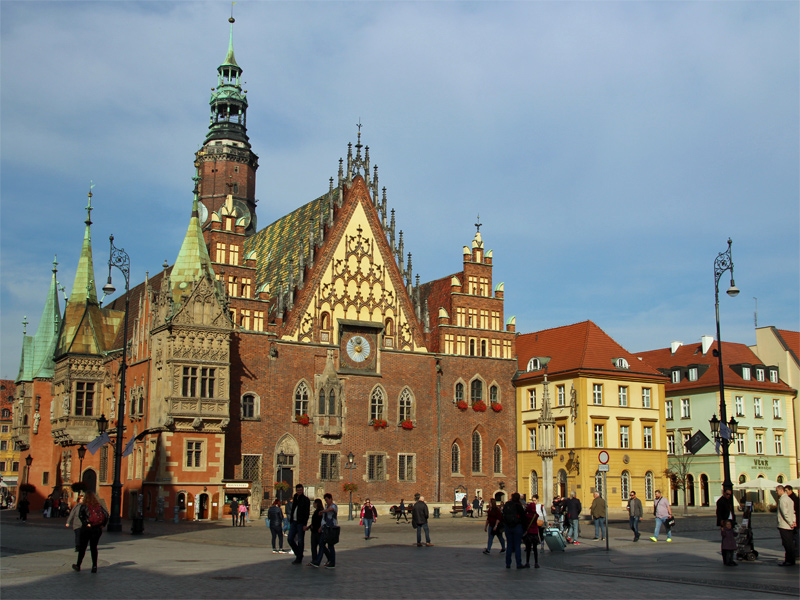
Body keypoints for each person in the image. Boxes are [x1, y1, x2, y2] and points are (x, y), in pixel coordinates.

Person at [72, 490, 109, 573]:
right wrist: (103, 525)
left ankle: (78, 565)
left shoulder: (84, 506)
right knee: (94, 547)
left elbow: (80, 515)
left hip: (87, 529)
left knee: (83, 547)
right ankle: (94, 566)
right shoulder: (98, 506)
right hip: (97, 529)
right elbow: (106, 515)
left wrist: (86, 523)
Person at [311, 493, 338, 569]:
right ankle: (318, 561)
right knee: (321, 544)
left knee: (330, 546)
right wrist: (321, 527)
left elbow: (331, 509)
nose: (326, 502)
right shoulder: (326, 507)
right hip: (325, 528)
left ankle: (332, 562)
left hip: (331, 528)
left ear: (331, 499)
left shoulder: (334, 506)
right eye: (325, 500)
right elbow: (324, 519)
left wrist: (323, 511)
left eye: (327, 500)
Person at [288, 484, 311, 564]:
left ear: (303, 490)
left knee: (300, 540)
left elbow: (307, 513)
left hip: (301, 522)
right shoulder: (295, 498)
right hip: (294, 522)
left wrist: (305, 524)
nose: (299, 491)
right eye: (298, 490)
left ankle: (299, 557)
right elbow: (293, 509)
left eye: (300, 490)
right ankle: (299, 554)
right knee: (290, 539)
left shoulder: (305, 500)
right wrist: (291, 520)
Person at [502, 492, 526, 569]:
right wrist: (524, 529)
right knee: (517, 546)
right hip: (517, 526)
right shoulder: (518, 505)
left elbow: (503, 515)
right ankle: (518, 563)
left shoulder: (507, 504)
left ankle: (508, 563)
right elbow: (523, 517)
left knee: (509, 545)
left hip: (508, 527)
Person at [776, 485, 797, 566]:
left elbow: (785, 513)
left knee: (787, 543)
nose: (776, 492)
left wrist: (790, 522)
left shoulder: (783, 500)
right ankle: (791, 559)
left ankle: (789, 560)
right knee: (790, 543)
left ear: (781, 490)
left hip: (784, 525)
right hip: (790, 525)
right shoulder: (789, 499)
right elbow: (793, 512)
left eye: (777, 490)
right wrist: (793, 521)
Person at [305, 498, 324, 564]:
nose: (313, 504)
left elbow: (318, 521)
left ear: (317, 504)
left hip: (317, 531)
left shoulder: (320, 511)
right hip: (314, 530)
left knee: (320, 546)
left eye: (314, 503)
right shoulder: (317, 511)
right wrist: (309, 527)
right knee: (314, 546)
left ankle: (316, 559)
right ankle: (314, 560)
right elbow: (314, 522)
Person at [523, 500, 540, 568]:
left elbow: (524, 514)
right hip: (535, 533)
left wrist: (526, 509)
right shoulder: (536, 515)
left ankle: (527, 562)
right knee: (535, 549)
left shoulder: (527, 515)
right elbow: (536, 514)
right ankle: (536, 563)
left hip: (529, 532)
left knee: (528, 549)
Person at [784, 485, 799, 560]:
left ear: (790, 490)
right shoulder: (791, 498)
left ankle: (797, 553)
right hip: (795, 521)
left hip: (796, 521)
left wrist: (793, 521)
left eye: (786, 490)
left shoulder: (793, 499)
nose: (785, 492)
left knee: (796, 538)